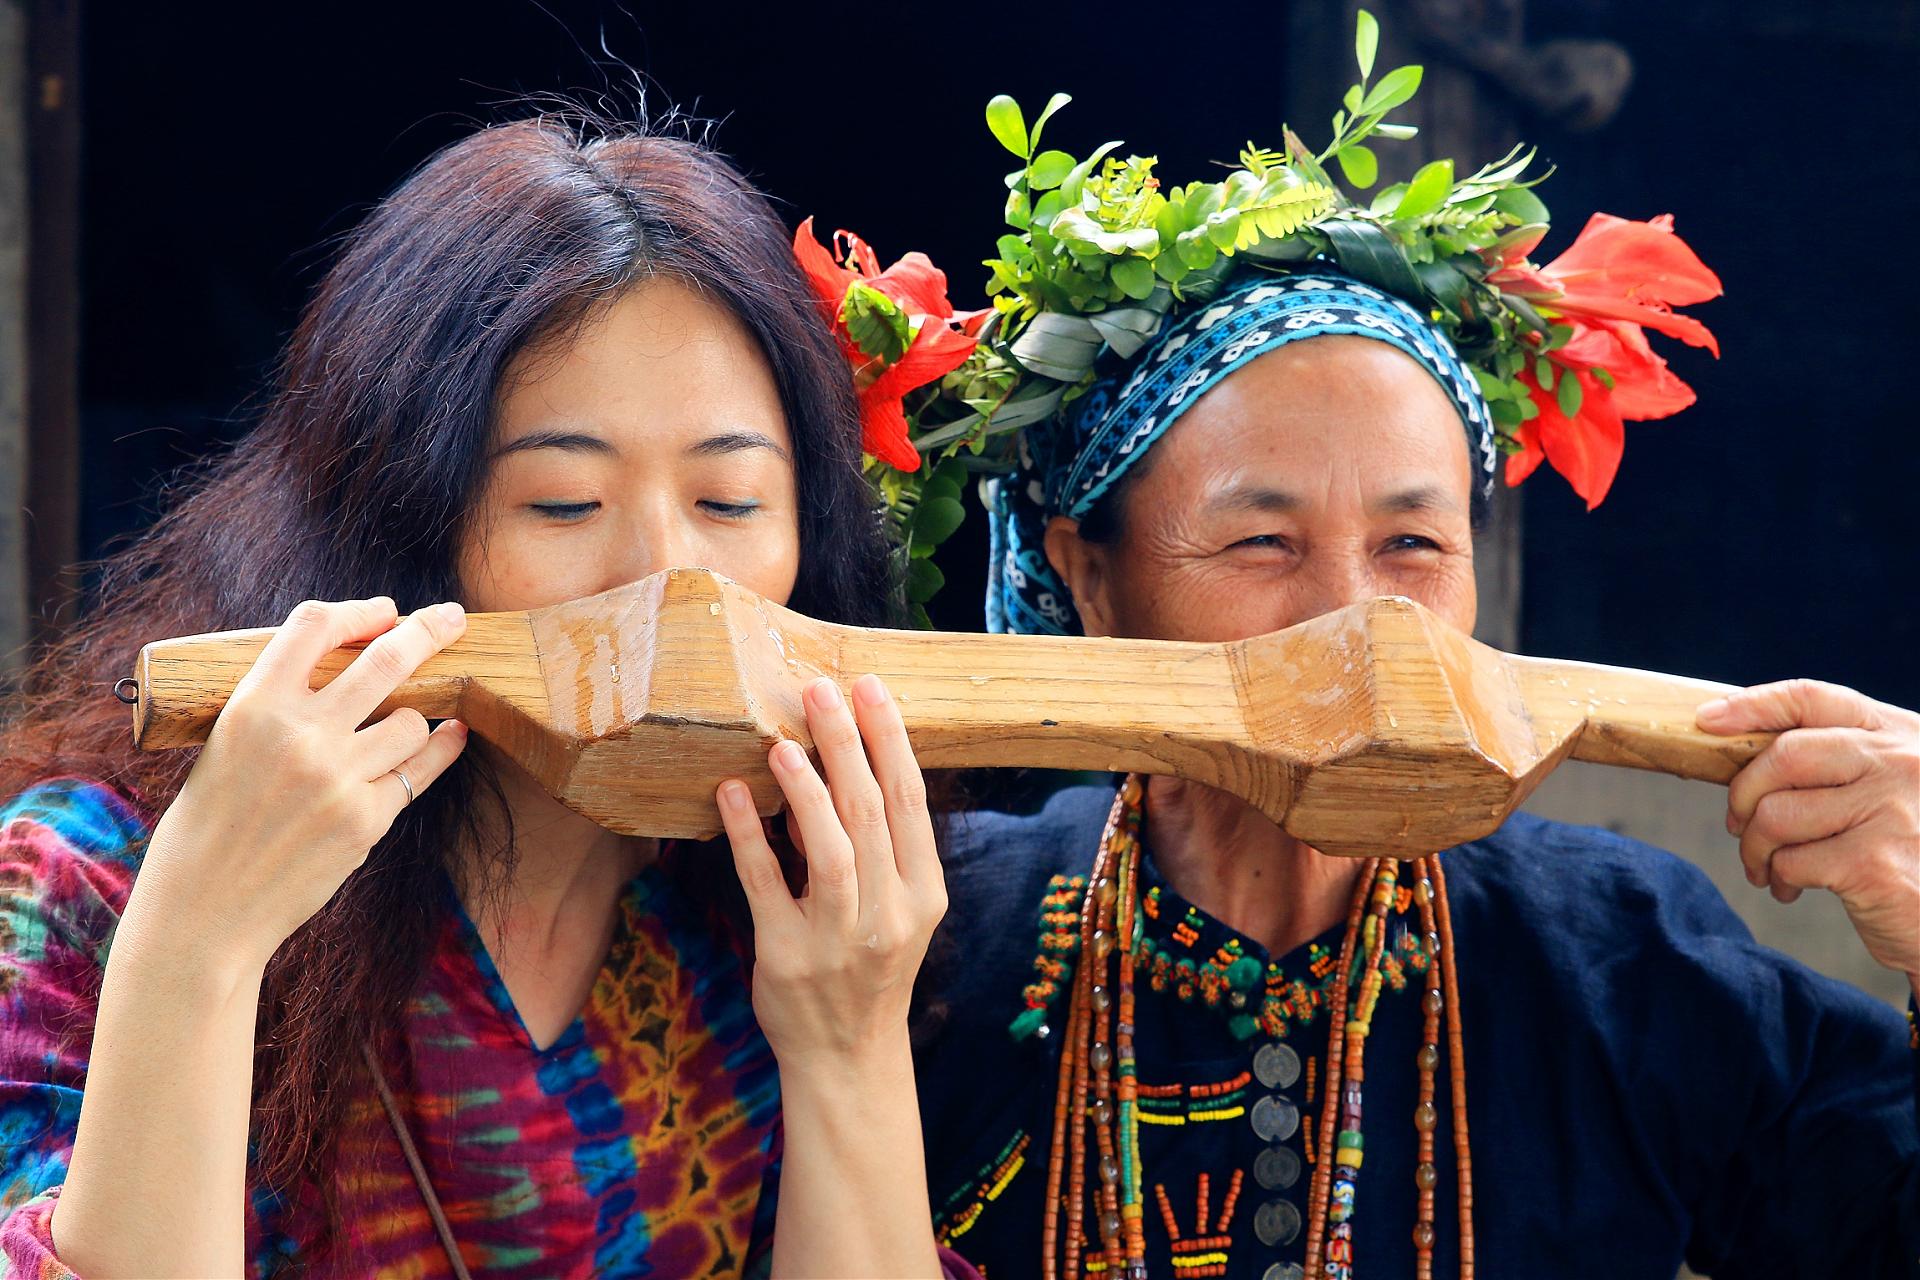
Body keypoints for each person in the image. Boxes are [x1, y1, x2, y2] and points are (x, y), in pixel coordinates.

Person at [899, 64, 1920, 1280]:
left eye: (1413, 546)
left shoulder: (1618, 956)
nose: (1358, 622)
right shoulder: (926, 938)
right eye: (1262, 540)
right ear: (1092, 580)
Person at [0, 112, 962, 1279]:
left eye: (731, 502)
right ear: (395, 525)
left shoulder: (781, 918)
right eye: (562, 503)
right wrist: (197, 943)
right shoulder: (89, 880)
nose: (671, 579)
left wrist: (848, 1043)